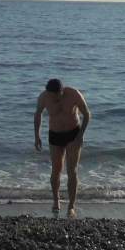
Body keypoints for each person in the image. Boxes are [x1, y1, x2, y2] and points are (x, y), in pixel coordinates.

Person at [34, 78, 90, 217]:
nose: (54, 99)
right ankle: (56, 201)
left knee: (72, 171)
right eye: (51, 96)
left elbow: (87, 114)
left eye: (56, 96)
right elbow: (38, 114)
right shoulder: (44, 97)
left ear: (61, 91)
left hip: (73, 134)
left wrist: (80, 135)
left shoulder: (74, 94)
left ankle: (71, 206)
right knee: (56, 170)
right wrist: (37, 136)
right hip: (55, 135)